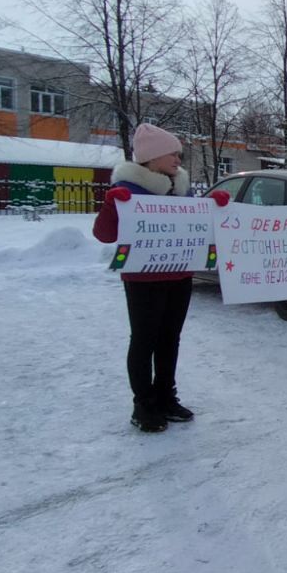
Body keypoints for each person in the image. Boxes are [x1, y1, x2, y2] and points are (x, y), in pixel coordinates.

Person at [92, 124, 230, 432]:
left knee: (170, 339)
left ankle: (167, 396)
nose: (178, 159)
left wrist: (215, 208)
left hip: (180, 275)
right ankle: (144, 404)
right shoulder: (131, 190)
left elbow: (201, 228)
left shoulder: (181, 189)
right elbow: (104, 234)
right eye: (173, 153)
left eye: (179, 154)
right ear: (151, 157)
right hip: (143, 280)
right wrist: (111, 205)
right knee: (144, 340)